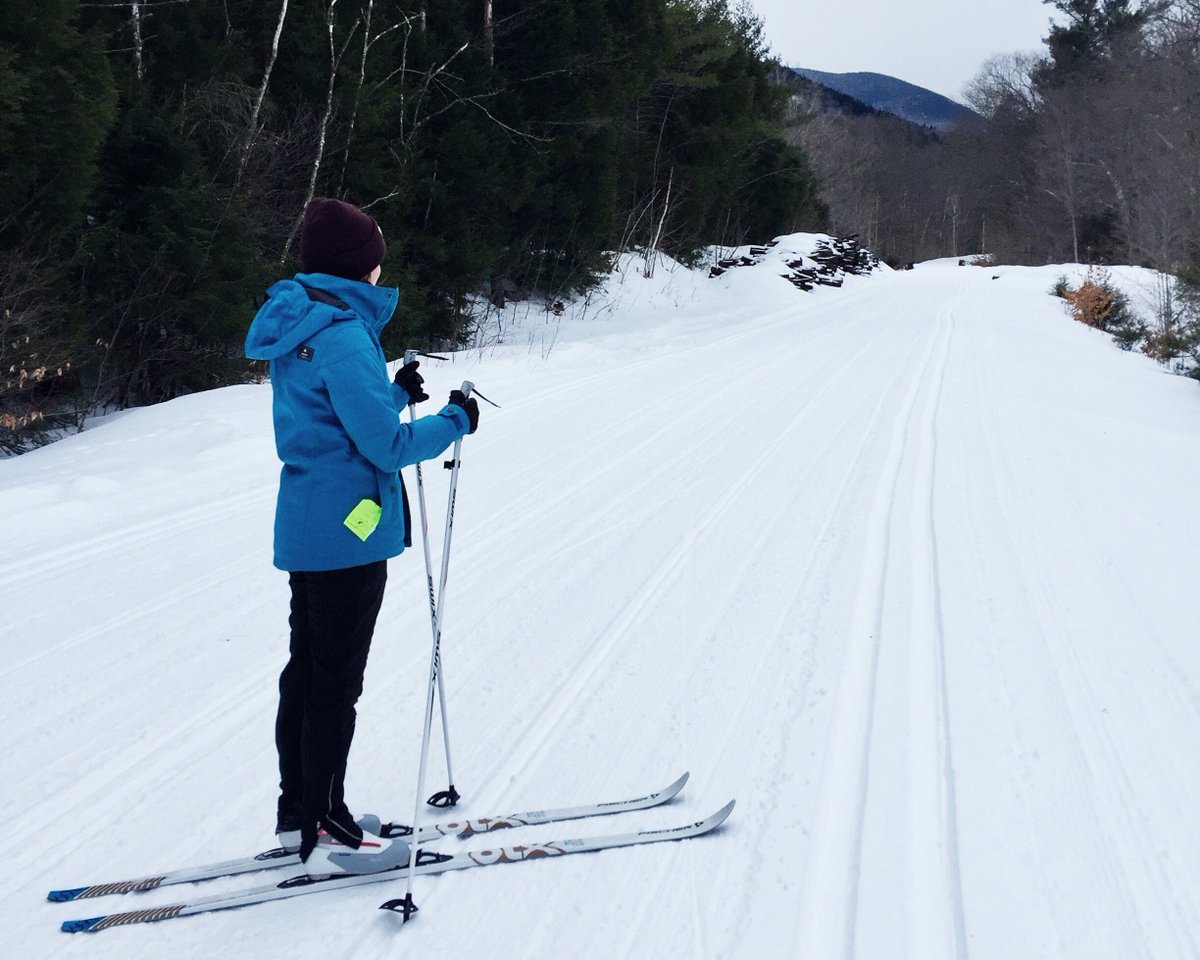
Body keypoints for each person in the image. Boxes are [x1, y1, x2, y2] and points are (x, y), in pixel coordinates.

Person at [244, 197, 480, 878]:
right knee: (333, 683)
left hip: (310, 525)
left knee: (309, 673)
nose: (381, 267)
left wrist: (394, 391)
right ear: (359, 264)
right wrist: (453, 420)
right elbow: (383, 447)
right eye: (376, 255)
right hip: (350, 533)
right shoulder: (344, 332)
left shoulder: (303, 321)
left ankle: (302, 812)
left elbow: (331, 416)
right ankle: (323, 818)